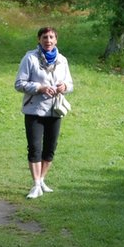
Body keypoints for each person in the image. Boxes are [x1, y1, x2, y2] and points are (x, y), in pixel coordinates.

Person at [14, 26, 74, 199]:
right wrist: (40, 87)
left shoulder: (62, 60)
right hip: (34, 110)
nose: (48, 40)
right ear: (39, 40)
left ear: (56, 40)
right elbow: (19, 84)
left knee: (50, 149)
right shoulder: (29, 58)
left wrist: (64, 87)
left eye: (51, 37)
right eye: (44, 37)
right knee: (34, 148)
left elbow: (70, 84)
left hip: (55, 110)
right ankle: (35, 185)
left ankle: (41, 181)